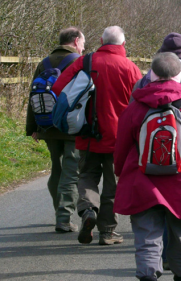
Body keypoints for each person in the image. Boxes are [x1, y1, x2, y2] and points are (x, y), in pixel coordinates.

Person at [113, 52, 181, 281]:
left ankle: (148, 275)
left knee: (147, 238)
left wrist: (121, 171)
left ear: (151, 74)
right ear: (180, 75)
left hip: (142, 181)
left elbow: (121, 146)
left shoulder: (135, 107)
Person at [52, 26, 142, 245]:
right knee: (112, 185)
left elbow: (57, 88)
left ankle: (87, 211)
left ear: (101, 40)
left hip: (88, 133)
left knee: (87, 176)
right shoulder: (131, 68)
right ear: (123, 44)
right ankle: (108, 231)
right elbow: (141, 103)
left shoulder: (85, 62)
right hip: (119, 138)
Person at [26, 27, 85, 233]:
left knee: (56, 169)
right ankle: (64, 217)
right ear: (76, 41)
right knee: (71, 170)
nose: (83, 47)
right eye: (83, 44)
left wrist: (33, 128)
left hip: (47, 125)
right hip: (71, 125)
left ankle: (58, 209)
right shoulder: (79, 62)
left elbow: (32, 94)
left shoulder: (44, 62)